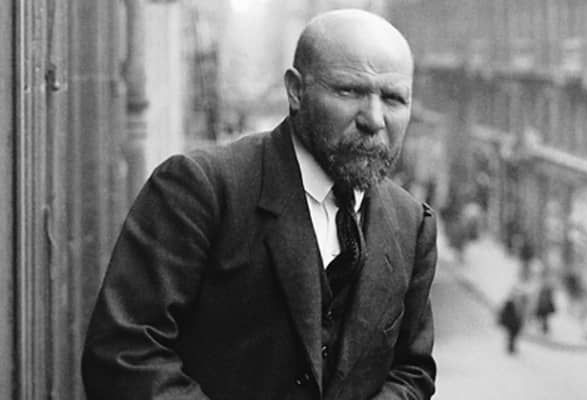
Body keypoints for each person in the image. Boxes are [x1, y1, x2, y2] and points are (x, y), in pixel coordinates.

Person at [81, 9, 437, 400]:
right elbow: (125, 355)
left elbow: (412, 370)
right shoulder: (200, 189)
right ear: (296, 91)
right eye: (349, 91)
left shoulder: (411, 224)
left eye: (393, 99)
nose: (374, 119)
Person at [497, 289, 526, 354]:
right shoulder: (511, 303)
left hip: (514, 323)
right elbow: (505, 313)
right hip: (512, 323)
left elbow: (521, 314)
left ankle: (511, 347)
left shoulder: (518, 303)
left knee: (513, 336)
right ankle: (510, 348)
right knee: (512, 336)